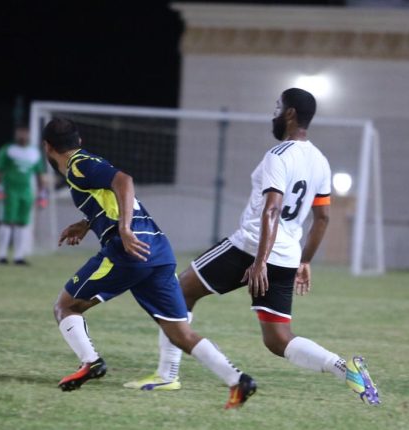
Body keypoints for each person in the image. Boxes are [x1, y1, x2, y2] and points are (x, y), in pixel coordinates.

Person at [124, 88, 380, 405]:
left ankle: (167, 375)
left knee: (178, 292)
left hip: (250, 247)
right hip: (286, 256)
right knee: (278, 339)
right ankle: (345, 369)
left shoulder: (279, 156)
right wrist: (304, 261)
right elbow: (323, 218)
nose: (274, 113)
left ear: (290, 114)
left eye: (277, 107)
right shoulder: (320, 162)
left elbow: (271, 210)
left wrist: (259, 262)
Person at [42, 118, 257, 409]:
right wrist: (86, 223)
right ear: (79, 140)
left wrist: (124, 229)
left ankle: (91, 362)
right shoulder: (86, 163)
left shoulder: (78, 165)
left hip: (128, 251)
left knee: (65, 306)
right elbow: (109, 198)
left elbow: (124, 181)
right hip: (158, 252)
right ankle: (238, 380)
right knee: (180, 333)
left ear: (47, 147)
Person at [0, 125, 48, 265]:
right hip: (9, 190)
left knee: (22, 223)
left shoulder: (34, 152)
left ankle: (18, 257)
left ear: (29, 134)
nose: (22, 135)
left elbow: (40, 174)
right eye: (19, 133)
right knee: (7, 221)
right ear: (15, 134)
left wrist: (42, 193)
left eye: (25, 133)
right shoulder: (8, 150)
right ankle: (1, 255)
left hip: (26, 192)